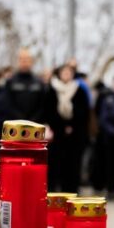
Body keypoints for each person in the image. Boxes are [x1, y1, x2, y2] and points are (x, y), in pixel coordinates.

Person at [45, 64, 90, 193]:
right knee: (54, 162)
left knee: (73, 163)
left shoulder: (79, 90)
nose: (66, 74)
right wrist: (61, 126)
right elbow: (48, 111)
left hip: (75, 133)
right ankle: (53, 190)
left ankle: (72, 190)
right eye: (63, 72)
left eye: (69, 72)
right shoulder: (52, 89)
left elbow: (84, 112)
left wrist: (71, 125)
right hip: (56, 132)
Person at [4, 49, 45, 122]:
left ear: (31, 61)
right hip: (16, 125)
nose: (24, 62)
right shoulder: (10, 82)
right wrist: (21, 119)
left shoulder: (39, 82)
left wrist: (33, 120)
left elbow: (42, 105)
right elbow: (8, 104)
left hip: (35, 124)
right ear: (18, 61)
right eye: (22, 59)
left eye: (27, 59)